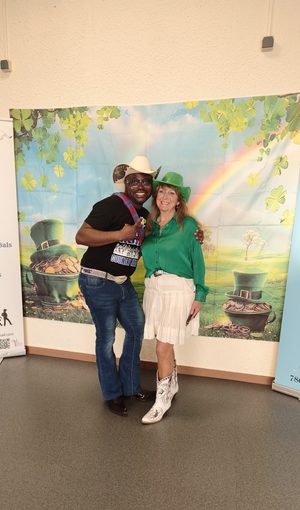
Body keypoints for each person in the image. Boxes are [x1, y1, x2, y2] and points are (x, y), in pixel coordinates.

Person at [76, 157, 204, 416]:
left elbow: (170, 241)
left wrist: (195, 235)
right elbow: (81, 236)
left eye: (145, 181)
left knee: (136, 331)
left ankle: (132, 387)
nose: (140, 186)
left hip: (124, 284)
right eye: (134, 181)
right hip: (98, 281)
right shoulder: (109, 205)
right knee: (106, 339)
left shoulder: (147, 218)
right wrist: (120, 234)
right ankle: (113, 393)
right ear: (126, 184)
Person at [140, 171, 209, 424]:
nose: (165, 196)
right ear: (156, 196)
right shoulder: (148, 226)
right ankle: (173, 384)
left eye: (171, 193)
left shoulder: (188, 226)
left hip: (178, 290)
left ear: (179, 200)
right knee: (164, 342)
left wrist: (199, 294)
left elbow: (197, 261)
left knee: (162, 347)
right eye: (161, 191)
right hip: (153, 289)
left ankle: (162, 401)